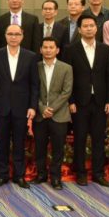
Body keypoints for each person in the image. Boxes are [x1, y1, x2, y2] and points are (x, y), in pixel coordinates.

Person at [61, 14, 109, 187]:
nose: (89, 29)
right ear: (79, 29)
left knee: (99, 138)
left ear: (96, 28)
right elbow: (67, 78)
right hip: (79, 102)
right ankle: (81, 173)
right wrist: (71, 101)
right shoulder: (70, 49)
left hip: (100, 101)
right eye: (85, 26)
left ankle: (98, 173)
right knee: (80, 138)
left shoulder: (105, 49)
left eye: (92, 25)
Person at [0, 24, 39, 188]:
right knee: (1, 142)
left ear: (22, 36)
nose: (13, 37)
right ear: (5, 36)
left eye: (17, 34)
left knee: (19, 142)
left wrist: (32, 106)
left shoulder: (30, 56)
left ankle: (19, 175)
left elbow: (34, 84)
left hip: (22, 107)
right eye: (10, 34)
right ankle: (2, 174)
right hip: (1, 105)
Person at [32, 37, 72, 190]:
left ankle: (56, 178)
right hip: (40, 115)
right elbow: (32, 90)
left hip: (59, 115)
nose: (48, 50)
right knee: (39, 147)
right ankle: (41, 174)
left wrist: (51, 109)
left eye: (51, 47)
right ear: (40, 50)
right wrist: (42, 108)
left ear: (57, 50)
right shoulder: (35, 67)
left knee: (58, 149)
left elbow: (66, 92)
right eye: (45, 47)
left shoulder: (66, 68)